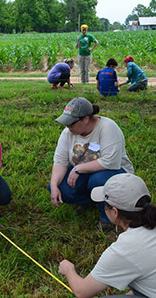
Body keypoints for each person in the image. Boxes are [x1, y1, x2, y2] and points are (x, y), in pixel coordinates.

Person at [48, 97, 134, 231]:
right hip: (85, 173)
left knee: (97, 180)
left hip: (115, 171)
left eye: (71, 123)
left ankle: (107, 217)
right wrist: (53, 186)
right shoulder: (68, 133)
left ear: (86, 119)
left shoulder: (107, 127)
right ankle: (90, 201)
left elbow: (110, 162)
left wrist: (78, 168)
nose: (68, 127)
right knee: (60, 187)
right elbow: (60, 162)